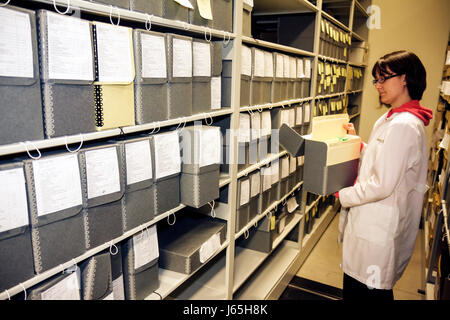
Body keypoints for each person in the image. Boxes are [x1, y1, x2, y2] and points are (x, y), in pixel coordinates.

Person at [336, 50, 433, 300]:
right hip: (371, 225)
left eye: (383, 79)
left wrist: (342, 193)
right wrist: (358, 144)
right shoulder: (392, 118)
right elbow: (384, 160)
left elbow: (382, 184)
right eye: (376, 80)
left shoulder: (404, 125)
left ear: (404, 79)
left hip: (377, 229)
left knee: (368, 293)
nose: (378, 86)